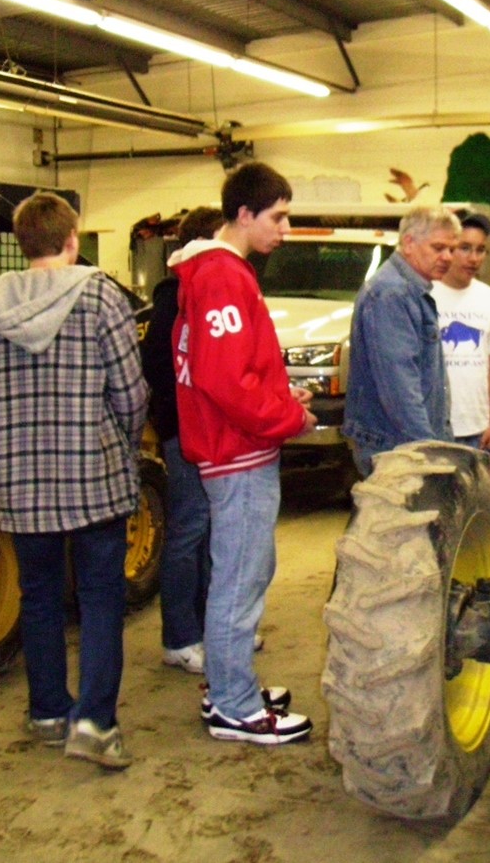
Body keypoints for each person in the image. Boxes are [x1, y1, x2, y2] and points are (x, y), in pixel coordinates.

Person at [0, 191, 147, 771]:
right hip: (93, 478)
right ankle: (94, 723)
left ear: (23, 243)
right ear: (72, 241)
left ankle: (46, 711)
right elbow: (130, 392)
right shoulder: (98, 296)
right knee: (98, 599)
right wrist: (116, 436)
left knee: (37, 597)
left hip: (21, 483)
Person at [171, 161, 316, 745]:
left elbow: (237, 369)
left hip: (235, 447)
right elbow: (225, 380)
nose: (284, 230)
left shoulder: (218, 274)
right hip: (238, 454)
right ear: (244, 214)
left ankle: (230, 684)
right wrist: (289, 417)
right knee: (239, 577)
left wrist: (281, 394)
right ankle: (233, 705)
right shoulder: (223, 277)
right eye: (277, 217)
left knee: (241, 571)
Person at [140, 206, 224, 675]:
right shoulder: (176, 295)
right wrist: (177, 415)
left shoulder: (205, 290)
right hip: (186, 431)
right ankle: (179, 636)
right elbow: (158, 364)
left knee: (211, 529)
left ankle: (212, 627)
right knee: (189, 528)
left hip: (210, 431)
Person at [342, 204, 461, 476]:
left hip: (404, 443)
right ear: (408, 243)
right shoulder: (392, 294)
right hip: (396, 449)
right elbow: (400, 386)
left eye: (452, 249)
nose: (447, 257)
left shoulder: (410, 291)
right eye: (438, 247)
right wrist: (428, 449)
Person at [431, 211, 490, 451]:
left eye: (480, 250)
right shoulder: (424, 296)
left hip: (478, 433)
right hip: (433, 430)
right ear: (449, 249)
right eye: (465, 248)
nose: (473, 258)